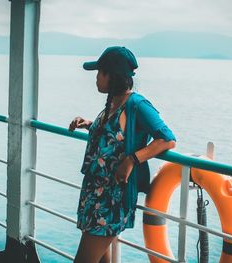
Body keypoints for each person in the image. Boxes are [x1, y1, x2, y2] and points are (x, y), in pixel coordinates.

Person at [69, 46, 176, 263]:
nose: (96, 78)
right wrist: (89, 124)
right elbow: (114, 137)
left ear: (112, 75)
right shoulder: (114, 102)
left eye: (100, 73)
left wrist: (132, 160)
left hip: (111, 199)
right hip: (94, 193)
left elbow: (167, 139)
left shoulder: (137, 104)